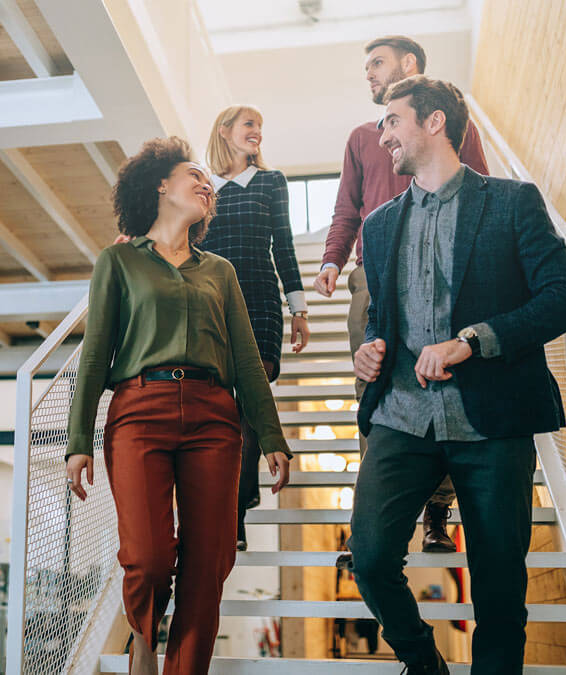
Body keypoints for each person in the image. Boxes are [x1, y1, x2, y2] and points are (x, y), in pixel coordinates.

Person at [348, 76, 566, 674]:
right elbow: (383, 320)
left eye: (392, 122)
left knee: (500, 589)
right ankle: (425, 667)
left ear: (434, 123)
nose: (383, 138)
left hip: (494, 421)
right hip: (401, 416)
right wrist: (370, 350)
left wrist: (471, 342)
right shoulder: (376, 227)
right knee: (372, 558)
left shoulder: (512, 201)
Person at [65, 137, 293, 675]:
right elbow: (95, 355)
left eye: (208, 182)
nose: (206, 184)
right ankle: (143, 639)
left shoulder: (220, 271)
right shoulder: (119, 260)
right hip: (139, 412)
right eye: (195, 174)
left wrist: (273, 435)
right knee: (148, 556)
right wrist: (77, 441)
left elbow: (246, 360)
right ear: (161, 185)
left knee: (209, 562)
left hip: (216, 419)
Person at [315, 35, 489, 554]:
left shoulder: (454, 126)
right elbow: (347, 207)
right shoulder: (361, 139)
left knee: (445, 388)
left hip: (448, 275)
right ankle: (368, 522)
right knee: (374, 393)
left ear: (408, 64)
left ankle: (437, 514)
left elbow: (480, 189)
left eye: (377, 64)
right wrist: (332, 258)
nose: (368, 73)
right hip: (374, 278)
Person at [201, 104, 310, 552]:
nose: (257, 133)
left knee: (247, 409)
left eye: (261, 127)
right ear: (225, 131)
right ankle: (231, 502)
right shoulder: (203, 187)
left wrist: (298, 308)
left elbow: (283, 244)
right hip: (212, 305)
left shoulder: (271, 181)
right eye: (250, 125)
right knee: (222, 412)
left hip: (261, 302)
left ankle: (235, 515)